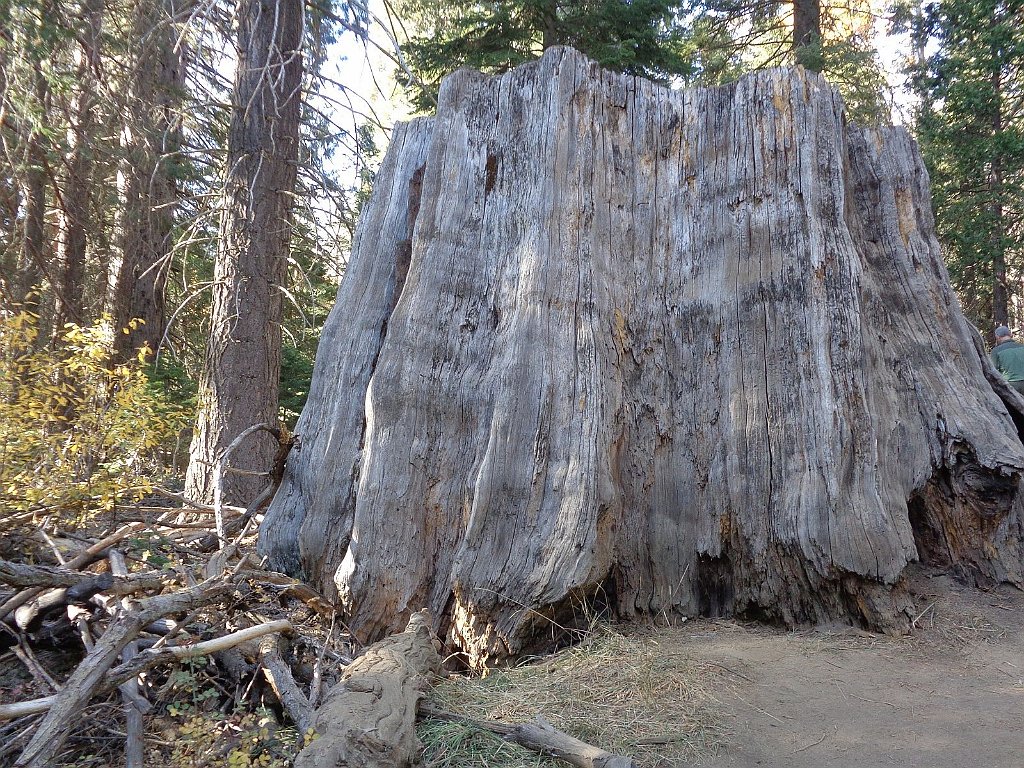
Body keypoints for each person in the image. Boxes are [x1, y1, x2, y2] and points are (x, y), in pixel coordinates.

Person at [991, 326, 1024, 394]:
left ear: (997, 337)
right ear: (1010, 334)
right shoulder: (1022, 347)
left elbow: (993, 370)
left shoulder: (996, 351)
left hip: (1009, 385)